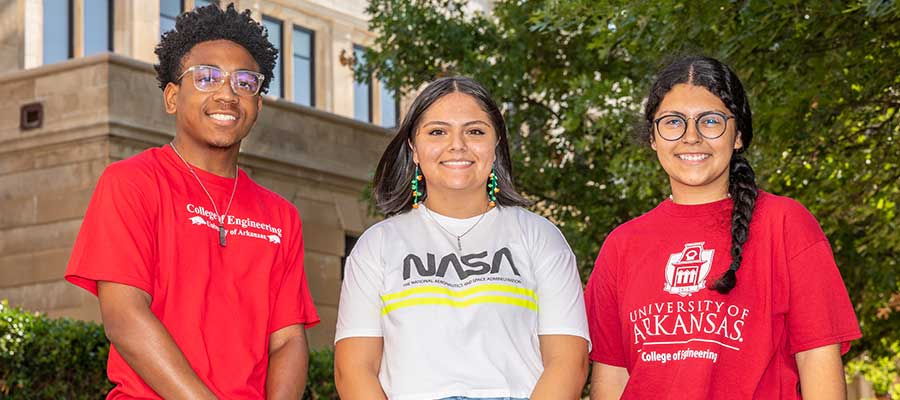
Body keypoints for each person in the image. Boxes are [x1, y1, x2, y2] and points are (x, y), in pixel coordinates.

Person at [64, 4, 318, 399]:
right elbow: (125, 317)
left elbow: (287, 340)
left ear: (258, 105)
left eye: (245, 82)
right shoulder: (132, 183)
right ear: (171, 97)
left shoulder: (281, 216)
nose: (227, 93)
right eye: (206, 77)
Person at [585, 55, 862, 399]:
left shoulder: (786, 224)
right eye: (672, 122)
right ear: (653, 137)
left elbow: (818, 362)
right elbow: (611, 380)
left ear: (738, 135)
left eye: (711, 121)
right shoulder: (621, 245)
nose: (691, 137)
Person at [334, 76, 590, 399]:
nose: (457, 145)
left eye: (475, 131)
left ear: (495, 146)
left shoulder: (540, 238)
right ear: (414, 149)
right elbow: (353, 371)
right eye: (438, 132)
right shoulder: (377, 246)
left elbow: (569, 362)